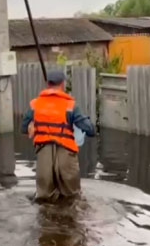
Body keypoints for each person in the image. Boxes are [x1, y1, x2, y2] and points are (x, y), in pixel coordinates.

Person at [20, 70, 95, 202]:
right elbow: (89, 130)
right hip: (66, 159)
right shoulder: (70, 106)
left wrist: (35, 124)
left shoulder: (35, 105)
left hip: (44, 158)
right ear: (63, 84)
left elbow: (23, 128)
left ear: (47, 84)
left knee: (44, 200)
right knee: (73, 199)